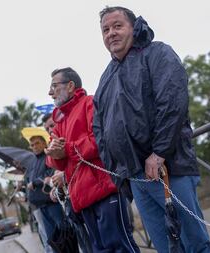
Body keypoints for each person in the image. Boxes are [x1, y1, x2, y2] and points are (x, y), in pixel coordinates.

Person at [93, 6, 210, 253]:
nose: (111, 34)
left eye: (118, 26)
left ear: (133, 26)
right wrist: (118, 173)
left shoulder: (157, 53)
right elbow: (100, 129)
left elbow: (173, 102)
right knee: (166, 248)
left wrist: (159, 152)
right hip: (135, 178)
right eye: (105, 30)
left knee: (194, 244)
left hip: (169, 168)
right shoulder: (106, 77)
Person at [45, 67, 140, 253]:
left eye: (54, 86)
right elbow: (57, 161)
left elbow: (100, 140)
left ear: (70, 86)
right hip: (81, 198)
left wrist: (67, 149)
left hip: (106, 190)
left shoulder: (90, 103)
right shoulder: (59, 121)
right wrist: (54, 154)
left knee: (120, 247)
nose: (50, 92)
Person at [42, 113, 93, 253]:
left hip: (89, 197)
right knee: (84, 244)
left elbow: (85, 161)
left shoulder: (70, 136)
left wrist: (64, 176)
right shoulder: (52, 147)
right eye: (47, 129)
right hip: (71, 202)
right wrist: (56, 186)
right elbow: (59, 170)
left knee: (97, 243)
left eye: (52, 125)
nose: (50, 130)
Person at [24, 134, 64, 253]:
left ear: (44, 143)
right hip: (41, 206)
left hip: (52, 203)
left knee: (63, 235)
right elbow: (29, 178)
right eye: (32, 145)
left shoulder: (48, 156)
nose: (34, 146)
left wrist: (35, 182)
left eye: (37, 143)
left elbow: (50, 172)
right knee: (52, 239)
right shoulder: (33, 162)